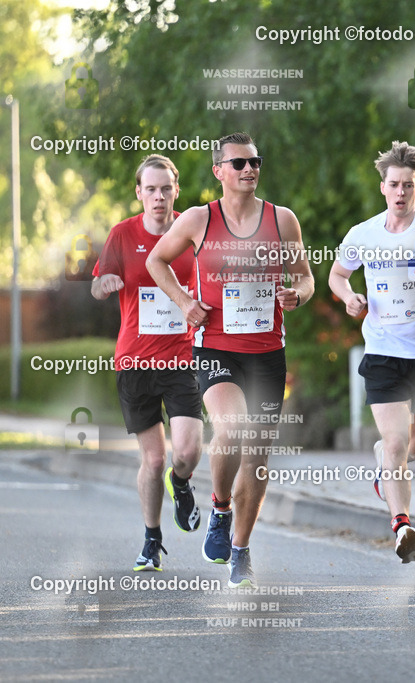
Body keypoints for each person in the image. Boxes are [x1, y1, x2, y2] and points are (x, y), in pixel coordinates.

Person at [147, 132, 314, 588]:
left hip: (267, 353)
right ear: (219, 171)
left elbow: (305, 277)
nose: (249, 170)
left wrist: (296, 295)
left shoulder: (283, 220)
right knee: (232, 429)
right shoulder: (201, 219)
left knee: (257, 457)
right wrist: (184, 303)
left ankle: (240, 549)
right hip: (216, 347)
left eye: (255, 162)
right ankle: (220, 507)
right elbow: (157, 262)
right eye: (238, 164)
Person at [329, 141, 415, 562]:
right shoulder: (363, 233)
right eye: (394, 184)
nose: (401, 192)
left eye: (409, 185)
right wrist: (350, 298)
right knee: (397, 442)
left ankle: (386, 461)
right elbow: (338, 274)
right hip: (381, 351)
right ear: (383, 187)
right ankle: (402, 526)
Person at [92, 154, 203, 571]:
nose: (158, 197)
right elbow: (99, 286)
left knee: (187, 453)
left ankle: (182, 482)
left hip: (182, 358)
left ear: (176, 192)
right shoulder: (123, 234)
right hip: (135, 362)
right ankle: (152, 538)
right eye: (150, 189)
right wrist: (103, 283)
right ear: (139, 193)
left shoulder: (192, 237)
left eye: (166, 189)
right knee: (153, 460)